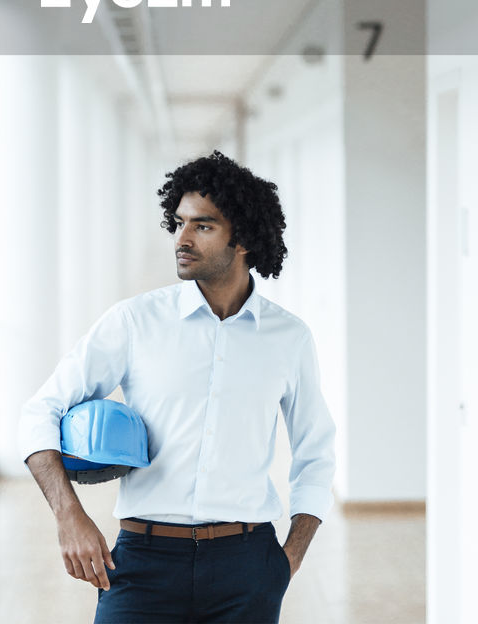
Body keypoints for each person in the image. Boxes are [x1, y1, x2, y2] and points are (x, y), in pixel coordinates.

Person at [19, 150, 336, 624]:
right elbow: (39, 411)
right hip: (142, 564)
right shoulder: (134, 321)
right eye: (179, 222)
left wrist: (286, 560)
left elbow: (316, 452)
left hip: (247, 565)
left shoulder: (288, 337)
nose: (182, 238)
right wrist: (71, 516)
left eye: (202, 226)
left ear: (244, 238)